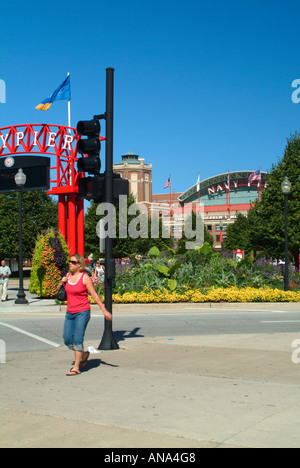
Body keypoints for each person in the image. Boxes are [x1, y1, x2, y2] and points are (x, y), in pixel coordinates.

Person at [58, 253, 112, 376]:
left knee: (77, 339)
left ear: (80, 265)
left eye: (73, 262)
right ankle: (84, 354)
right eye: (70, 262)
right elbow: (58, 292)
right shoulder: (67, 276)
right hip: (69, 313)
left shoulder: (85, 278)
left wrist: (104, 310)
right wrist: (61, 283)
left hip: (82, 312)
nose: (70, 264)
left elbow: (94, 295)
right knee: (67, 340)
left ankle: (76, 367)